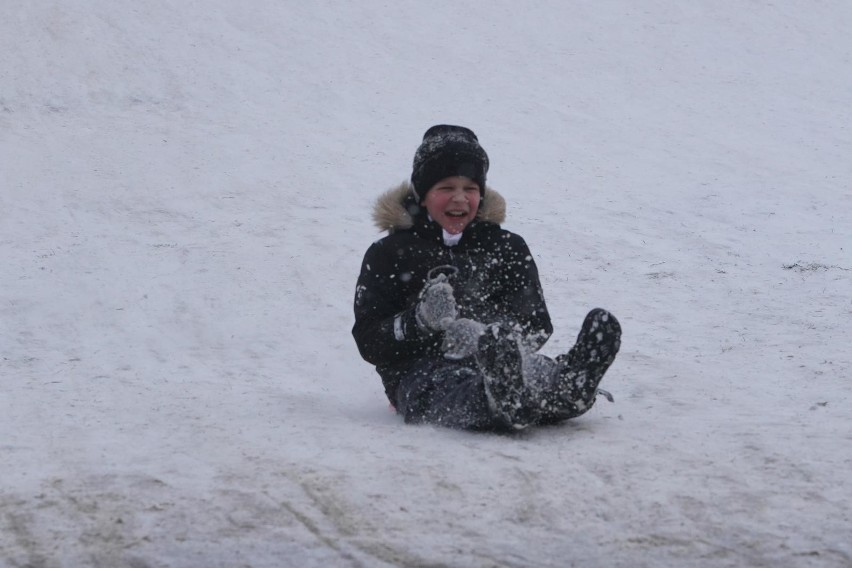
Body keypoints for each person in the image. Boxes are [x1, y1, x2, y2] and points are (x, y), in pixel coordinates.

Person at [352, 125, 621, 431]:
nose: (460, 199)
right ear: (423, 195)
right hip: (419, 370)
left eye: (470, 189)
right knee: (444, 390)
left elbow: (535, 321)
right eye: (445, 188)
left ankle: (571, 385)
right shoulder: (390, 253)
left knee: (534, 370)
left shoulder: (506, 246)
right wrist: (419, 322)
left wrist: (487, 334)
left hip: (502, 361)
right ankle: (498, 399)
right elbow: (369, 340)